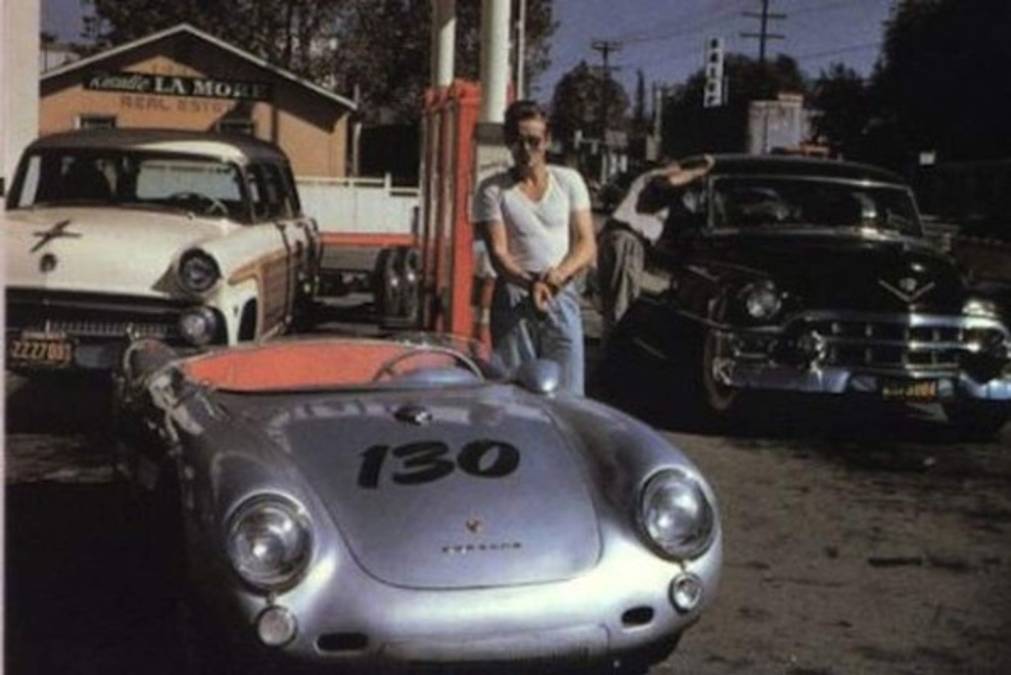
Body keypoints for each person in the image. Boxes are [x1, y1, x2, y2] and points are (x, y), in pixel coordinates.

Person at [472, 100, 596, 395]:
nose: (526, 149)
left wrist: (557, 277)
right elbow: (499, 253)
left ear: (547, 141)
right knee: (514, 390)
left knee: (568, 392)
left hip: (560, 291)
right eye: (518, 141)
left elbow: (586, 243)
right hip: (515, 294)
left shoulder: (569, 181)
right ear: (508, 141)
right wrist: (531, 283)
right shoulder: (492, 189)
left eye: (534, 141)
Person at [597, 155, 715, 342]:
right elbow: (669, 181)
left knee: (613, 305)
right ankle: (617, 350)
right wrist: (700, 171)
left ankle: (611, 346)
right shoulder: (658, 177)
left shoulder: (657, 194)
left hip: (616, 239)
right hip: (627, 241)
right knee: (622, 306)